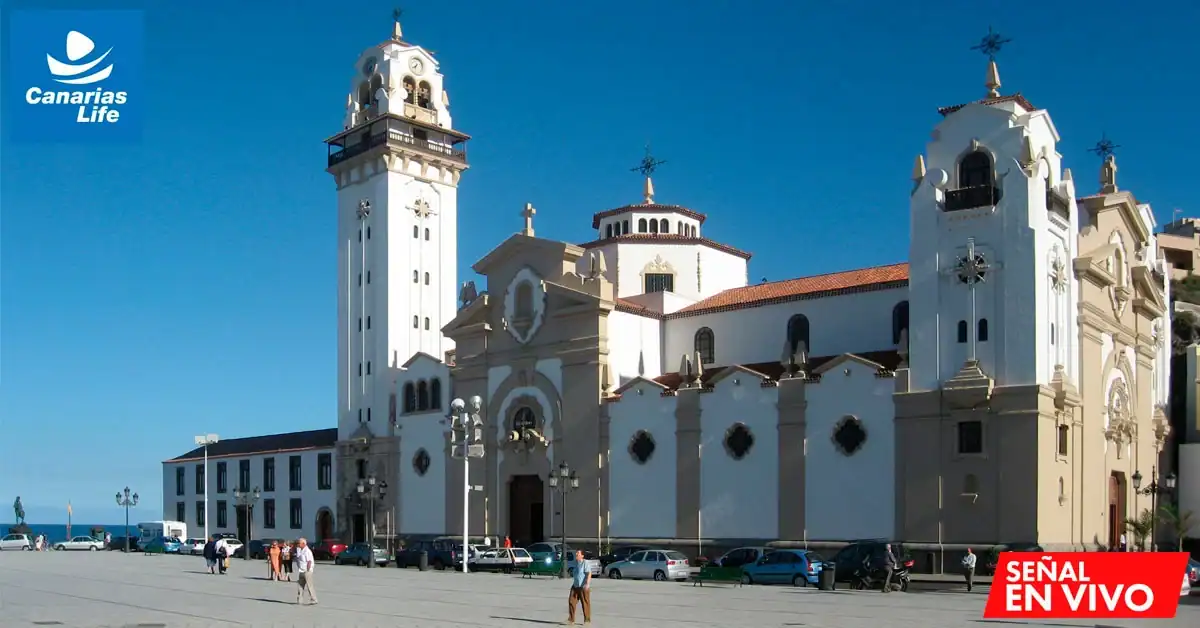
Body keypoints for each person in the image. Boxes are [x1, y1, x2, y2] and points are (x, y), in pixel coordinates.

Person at [564, 550, 591, 625]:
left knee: (585, 603)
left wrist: (587, 584)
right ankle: (571, 619)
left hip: (583, 586)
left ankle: (587, 620)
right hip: (575, 586)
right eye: (576, 553)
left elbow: (589, 573)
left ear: (582, 555)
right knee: (571, 601)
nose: (576, 554)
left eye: (578, 553)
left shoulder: (585, 563)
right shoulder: (576, 563)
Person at [294, 537, 318, 605]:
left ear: (303, 544)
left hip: (307, 571)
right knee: (300, 586)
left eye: (299, 543)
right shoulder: (299, 549)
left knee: (309, 586)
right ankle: (300, 599)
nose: (298, 544)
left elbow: (309, 562)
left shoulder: (307, 551)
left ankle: (314, 599)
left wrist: (307, 570)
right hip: (301, 570)